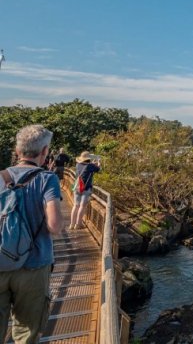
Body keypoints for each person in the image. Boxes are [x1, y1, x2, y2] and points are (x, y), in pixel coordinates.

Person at [0, 125, 63, 343]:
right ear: (44, 151)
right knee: (27, 332)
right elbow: (54, 225)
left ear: (18, 151)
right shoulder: (47, 179)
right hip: (34, 265)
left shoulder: (0, 177)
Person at [69, 151, 100, 230]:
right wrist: (98, 162)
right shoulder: (90, 166)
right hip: (86, 188)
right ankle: (78, 224)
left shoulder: (78, 164)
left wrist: (92, 163)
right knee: (82, 206)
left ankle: (72, 225)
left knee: (75, 205)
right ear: (88, 158)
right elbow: (98, 169)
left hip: (77, 187)